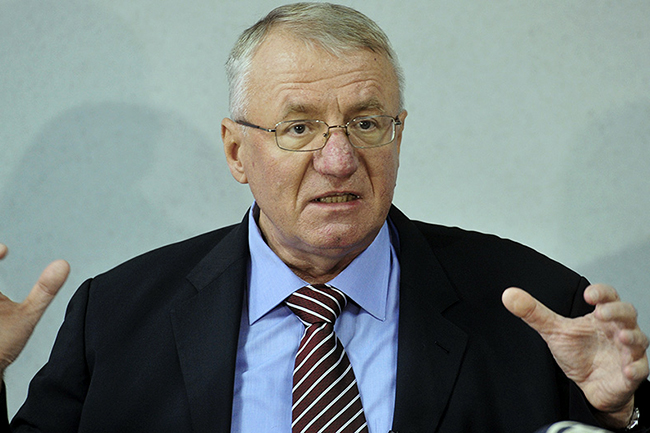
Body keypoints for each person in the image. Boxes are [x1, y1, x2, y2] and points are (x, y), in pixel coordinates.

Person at [1, 3, 648, 432]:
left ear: (398, 135)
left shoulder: (536, 308)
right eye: (298, 127)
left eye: (366, 123)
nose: (338, 161)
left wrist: (622, 414)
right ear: (236, 151)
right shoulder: (115, 317)